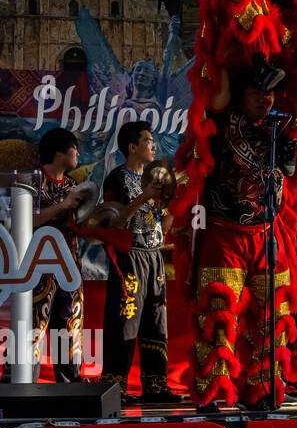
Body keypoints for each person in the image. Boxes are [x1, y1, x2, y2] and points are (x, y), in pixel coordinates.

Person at [189, 67, 297, 412]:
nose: (266, 100)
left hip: (267, 235)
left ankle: (264, 389)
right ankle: (212, 392)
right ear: (240, 96)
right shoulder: (220, 123)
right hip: (225, 237)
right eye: (257, 93)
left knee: (275, 315)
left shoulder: (279, 130)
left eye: (270, 95)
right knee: (219, 315)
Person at [101, 121, 181, 402]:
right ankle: (115, 389)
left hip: (154, 255)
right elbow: (114, 219)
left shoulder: (154, 181)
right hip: (129, 255)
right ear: (132, 147)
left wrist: (177, 204)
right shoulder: (117, 178)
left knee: (156, 320)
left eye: (153, 140)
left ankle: (156, 387)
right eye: (147, 140)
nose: (153, 145)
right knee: (125, 319)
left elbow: (163, 223)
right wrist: (145, 196)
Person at [6, 128, 85, 383]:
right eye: (75, 149)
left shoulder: (74, 185)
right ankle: (20, 383)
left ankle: (69, 383)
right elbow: (25, 220)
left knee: (69, 325)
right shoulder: (31, 181)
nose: (79, 154)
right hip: (36, 267)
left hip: (69, 267)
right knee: (31, 325)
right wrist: (63, 205)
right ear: (60, 152)